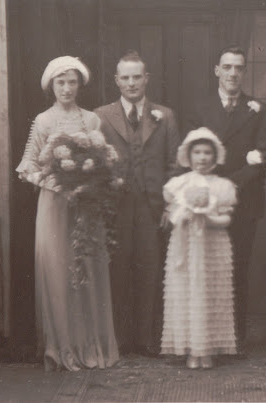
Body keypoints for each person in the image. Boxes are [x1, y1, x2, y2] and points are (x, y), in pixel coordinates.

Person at [16, 56, 119, 370]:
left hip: (85, 207)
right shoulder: (43, 121)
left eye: (72, 82)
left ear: (80, 85)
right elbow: (26, 167)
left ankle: (92, 345)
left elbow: (104, 161)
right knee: (59, 273)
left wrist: (91, 181)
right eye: (60, 82)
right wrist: (58, 184)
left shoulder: (91, 120)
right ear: (52, 86)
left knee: (88, 271)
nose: (66, 88)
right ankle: (61, 347)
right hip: (55, 207)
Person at [184, 45, 266, 346]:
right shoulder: (198, 108)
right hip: (204, 202)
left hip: (242, 201)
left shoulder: (258, 110)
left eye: (238, 68)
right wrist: (210, 186)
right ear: (217, 71)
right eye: (227, 67)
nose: (233, 73)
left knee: (237, 269)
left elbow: (265, 155)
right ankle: (206, 337)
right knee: (207, 269)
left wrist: (231, 184)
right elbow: (187, 153)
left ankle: (234, 338)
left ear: (244, 72)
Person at [95, 50, 181, 356]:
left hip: (151, 206)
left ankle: (146, 338)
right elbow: (96, 164)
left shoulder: (165, 115)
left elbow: (174, 164)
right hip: (116, 206)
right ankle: (120, 339)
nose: (132, 83)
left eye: (137, 77)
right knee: (118, 270)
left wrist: (169, 206)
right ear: (117, 81)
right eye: (126, 78)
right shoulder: (101, 116)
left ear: (146, 79)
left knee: (149, 269)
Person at [161, 128, 237, 369]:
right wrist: (186, 214)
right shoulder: (178, 184)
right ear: (188, 156)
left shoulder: (223, 186)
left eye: (207, 153)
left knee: (212, 293)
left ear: (215, 157)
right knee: (187, 293)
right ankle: (192, 349)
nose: (202, 158)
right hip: (187, 246)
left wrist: (208, 218)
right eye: (197, 152)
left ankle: (208, 349)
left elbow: (227, 220)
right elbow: (173, 217)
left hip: (213, 246)